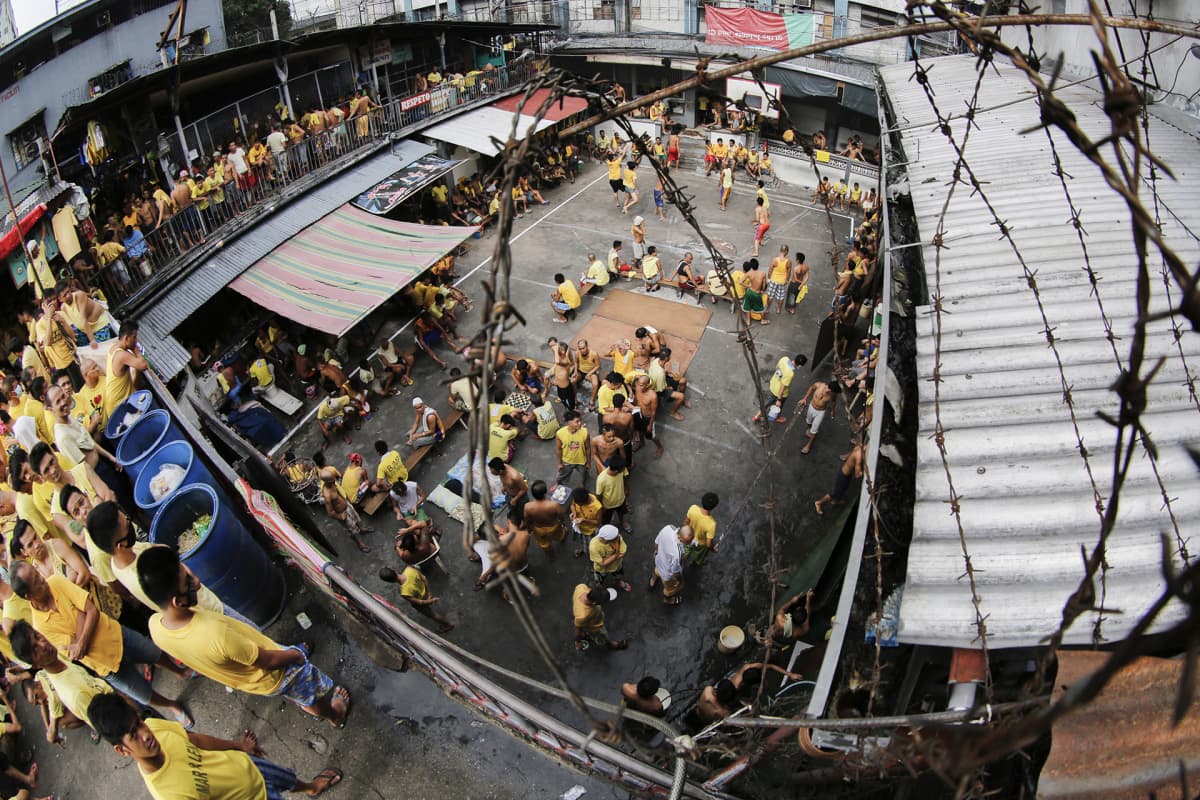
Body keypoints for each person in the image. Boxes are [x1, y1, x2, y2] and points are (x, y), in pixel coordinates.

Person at [9, 562, 194, 727]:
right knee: (143, 694)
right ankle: (173, 705)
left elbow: (92, 610)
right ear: (28, 595)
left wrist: (81, 630)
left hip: (115, 634)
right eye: (36, 581)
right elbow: (77, 650)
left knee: (153, 653)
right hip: (105, 665)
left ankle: (181, 672)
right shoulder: (40, 626)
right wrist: (81, 614)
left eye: (37, 573)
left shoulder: (56, 581)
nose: (42, 579)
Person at [89, 694, 342, 800]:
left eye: (139, 724)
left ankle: (311, 788)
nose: (145, 734)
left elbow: (196, 740)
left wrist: (239, 747)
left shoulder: (157, 726)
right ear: (122, 750)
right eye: (134, 735)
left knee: (288, 778)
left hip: (250, 767)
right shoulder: (169, 794)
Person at [9, 621, 113, 745]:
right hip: (112, 712)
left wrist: (50, 732)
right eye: (36, 649)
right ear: (36, 665)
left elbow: (52, 718)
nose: (43, 644)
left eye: (37, 636)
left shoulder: (57, 662)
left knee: (64, 721)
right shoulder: (68, 690)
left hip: (107, 695)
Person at [379, 566, 453, 634]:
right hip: (426, 592)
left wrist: (431, 601)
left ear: (390, 581)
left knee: (432, 615)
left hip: (422, 602)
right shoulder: (409, 569)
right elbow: (424, 578)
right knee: (432, 611)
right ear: (394, 570)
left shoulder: (404, 592)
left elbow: (420, 602)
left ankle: (447, 625)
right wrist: (429, 593)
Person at [103, 321, 148, 417]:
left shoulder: (114, 347)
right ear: (126, 338)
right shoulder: (121, 355)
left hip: (115, 399)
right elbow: (143, 365)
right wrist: (137, 351)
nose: (136, 341)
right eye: (134, 337)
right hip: (118, 404)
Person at [320, 468, 371, 552]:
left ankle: (361, 529)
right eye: (332, 480)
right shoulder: (327, 495)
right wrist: (340, 516)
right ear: (327, 482)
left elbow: (339, 492)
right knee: (352, 530)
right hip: (342, 513)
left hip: (346, 505)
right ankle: (360, 544)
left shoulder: (332, 484)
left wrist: (346, 500)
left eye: (334, 479)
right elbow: (330, 513)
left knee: (356, 518)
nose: (334, 481)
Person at [753, 353, 808, 423]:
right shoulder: (790, 373)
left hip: (773, 384)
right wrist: (779, 399)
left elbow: (777, 368)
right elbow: (783, 386)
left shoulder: (784, 359)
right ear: (799, 365)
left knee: (768, 402)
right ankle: (777, 418)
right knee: (779, 406)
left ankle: (757, 416)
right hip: (779, 392)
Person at [572, 584, 627, 651]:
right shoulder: (583, 615)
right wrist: (578, 642)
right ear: (594, 603)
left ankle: (585, 634)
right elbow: (577, 630)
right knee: (602, 637)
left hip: (588, 621)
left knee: (583, 628)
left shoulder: (581, 587)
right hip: (595, 628)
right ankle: (610, 644)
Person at [815, 442, 864, 515]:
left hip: (847, 472)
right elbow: (857, 475)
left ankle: (835, 501)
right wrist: (864, 472)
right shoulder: (859, 456)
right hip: (844, 475)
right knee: (834, 493)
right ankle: (819, 503)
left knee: (843, 488)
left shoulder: (860, 447)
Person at [649, 524, 692, 605]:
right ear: (680, 538)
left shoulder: (668, 528)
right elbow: (675, 571)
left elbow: (657, 542)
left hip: (658, 562)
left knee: (656, 571)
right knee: (670, 589)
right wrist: (679, 581)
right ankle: (668, 599)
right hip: (667, 575)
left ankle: (652, 580)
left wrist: (656, 551)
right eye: (687, 542)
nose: (688, 544)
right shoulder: (678, 552)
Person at [522, 481, 564, 560]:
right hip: (554, 527)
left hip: (539, 530)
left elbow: (527, 520)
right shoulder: (554, 505)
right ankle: (561, 539)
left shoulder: (527, 507)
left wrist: (529, 529)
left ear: (533, 494)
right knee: (559, 536)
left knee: (545, 544)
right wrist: (562, 523)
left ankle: (551, 556)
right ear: (545, 494)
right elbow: (561, 516)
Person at [795, 379, 839, 455]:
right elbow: (811, 388)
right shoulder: (818, 385)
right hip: (811, 407)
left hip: (820, 412)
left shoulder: (832, 395)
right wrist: (805, 398)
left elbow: (833, 402)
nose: (827, 391)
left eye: (830, 391)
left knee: (814, 430)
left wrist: (833, 411)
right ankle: (810, 429)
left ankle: (808, 445)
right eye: (827, 389)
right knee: (808, 422)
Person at [589, 524, 630, 592]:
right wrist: (616, 554)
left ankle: (618, 582)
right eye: (614, 540)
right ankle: (601, 589)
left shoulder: (617, 536)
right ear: (605, 540)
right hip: (601, 569)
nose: (618, 539)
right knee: (600, 580)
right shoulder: (594, 546)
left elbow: (623, 553)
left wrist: (607, 560)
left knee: (618, 575)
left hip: (617, 565)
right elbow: (602, 564)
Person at [555, 411, 590, 487]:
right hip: (567, 461)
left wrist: (588, 462)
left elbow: (588, 448)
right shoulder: (560, 433)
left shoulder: (585, 432)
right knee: (562, 474)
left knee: (584, 474)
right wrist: (559, 463)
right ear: (569, 422)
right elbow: (558, 449)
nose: (580, 423)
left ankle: (582, 483)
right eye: (577, 422)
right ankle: (558, 483)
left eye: (580, 420)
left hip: (581, 461)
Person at [631, 375, 663, 458]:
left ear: (647, 385)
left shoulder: (653, 396)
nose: (639, 386)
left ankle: (659, 447)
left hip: (647, 418)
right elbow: (636, 401)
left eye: (641, 385)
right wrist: (632, 399)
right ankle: (641, 443)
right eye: (638, 384)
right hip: (638, 414)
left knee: (651, 436)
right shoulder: (638, 389)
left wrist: (650, 424)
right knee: (639, 431)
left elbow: (653, 412)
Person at [595, 454, 630, 531]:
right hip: (608, 505)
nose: (625, 469)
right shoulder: (601, 479)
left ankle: (622, 522)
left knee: (621, 514)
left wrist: (626, 488)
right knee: (606, 520)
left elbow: (624, 477)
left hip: (621, 500)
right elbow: (598, 494)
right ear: (617, 471)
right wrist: (601, 506)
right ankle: (607, 530)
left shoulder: (621, 470)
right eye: (623, 468)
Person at [682, 492, 719, 564]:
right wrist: (713, 548)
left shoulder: (693, 508)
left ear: (702, 500)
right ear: (714, 506)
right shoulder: (712, 524)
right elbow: (708, 544)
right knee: (699, 555)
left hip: (689, 537)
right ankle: (695, 563)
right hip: (700, 544)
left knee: (686, 550)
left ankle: (683, 560)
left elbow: (685, 522)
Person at [568, 486, 603, 559]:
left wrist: (584, 520)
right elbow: (572, 505)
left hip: (589, 531)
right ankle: (583, 548)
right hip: (579, 528)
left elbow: (597, 522)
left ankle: (592, 556)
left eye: (579, 504)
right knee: (581, 541)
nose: (576, 503)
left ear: (584, 502)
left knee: (590, 548)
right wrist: (574, 513)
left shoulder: (597, 507)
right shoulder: (578, 498)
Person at [573, 340, 602, 410]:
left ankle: (592, 401)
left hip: (591, 372)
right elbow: (576, 362)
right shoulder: (577, 353)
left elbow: (598, 366)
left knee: (595, 384)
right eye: (580, 348)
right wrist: (575, 371)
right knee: (572, 381)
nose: (582, 350)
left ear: (587, 346)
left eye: (583, 348)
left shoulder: (594, 354)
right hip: (581, 371)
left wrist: (589, 374)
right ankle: (575, 399)